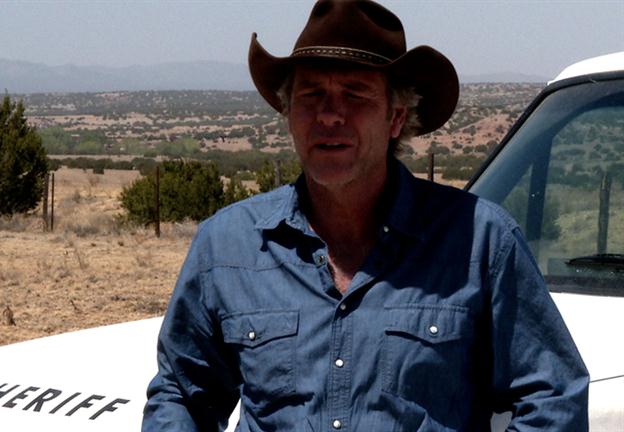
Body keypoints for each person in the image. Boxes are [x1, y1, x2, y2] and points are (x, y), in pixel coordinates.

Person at [142, 1, 589, 430]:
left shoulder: (479, 241)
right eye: (311, 95)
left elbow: (553, 397)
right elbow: (182, 393)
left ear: (396, 118)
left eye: (354, 94)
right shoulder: (228, 246)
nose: (330, 115)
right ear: (289, 114)